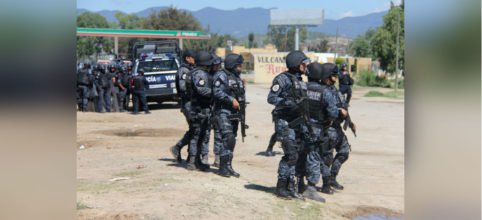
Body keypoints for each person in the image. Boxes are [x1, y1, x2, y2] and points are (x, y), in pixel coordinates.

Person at [267, 51, 310, 200]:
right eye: (304, 63)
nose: (306, 66)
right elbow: (271, 98)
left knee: (296, 156)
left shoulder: (301, 81)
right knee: (290, 155)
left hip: (297, 123)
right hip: (285, 123)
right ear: (297, 64)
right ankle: (281, 187)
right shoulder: (282, 79)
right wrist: (287, 103)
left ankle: (290, 188)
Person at [320, 63, 355, 192]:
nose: (336, 78)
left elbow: (344, 106)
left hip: (337, 128)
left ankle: (332, 178)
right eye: (334, 75)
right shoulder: (321, 90)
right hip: (327, 128)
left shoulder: (335, 90)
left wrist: (350, 122)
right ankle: (325, 184)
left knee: (344, 152)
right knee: (327, 157)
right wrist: (339, 110)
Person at [212, 53, 245, 177]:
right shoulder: (222, 75)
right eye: (238, 65)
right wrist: (230, 100)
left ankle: (228, 166)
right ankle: (222, 167)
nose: (241, 67)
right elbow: (216, 91)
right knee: (228, 138)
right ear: (232, 65)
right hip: (223, 111)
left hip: (235, 113)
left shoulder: (237, 78)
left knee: (232, 140)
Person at [186, 51, 214, 171]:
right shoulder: (200, 74)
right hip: (198, 108)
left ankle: (197, 161)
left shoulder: (194, 72)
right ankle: (192, 162)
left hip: (198, 107)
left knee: (201, 135)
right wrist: (215, 92)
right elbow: (201, 90)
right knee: (197, 135)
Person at [171, 50, 196, 163]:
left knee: (195, 129)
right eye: (193, 57)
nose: (194, 59)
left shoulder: (191, 69)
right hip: (188, 103)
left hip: (193, 103)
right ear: (187, 58)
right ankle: (178, 147)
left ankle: (191, 154)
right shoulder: (184, 70)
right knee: (195, 128)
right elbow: (183, 87)